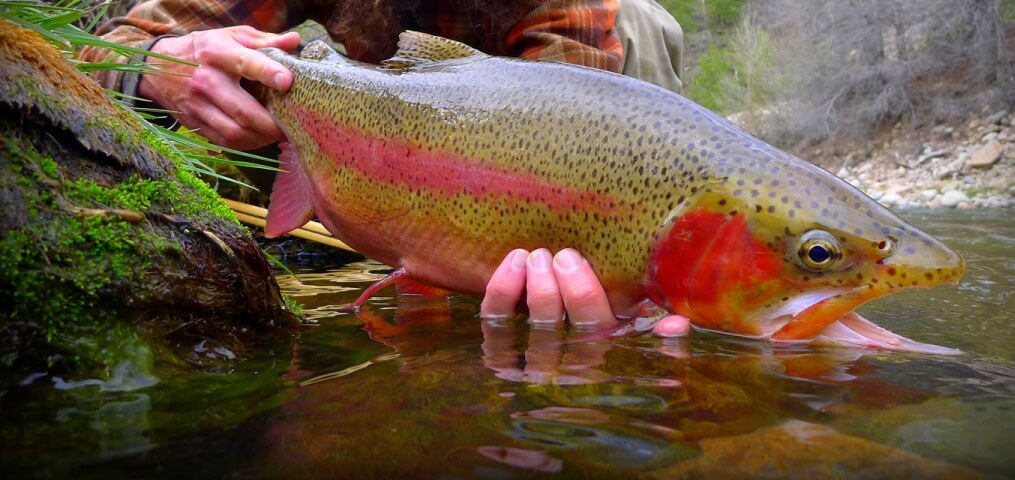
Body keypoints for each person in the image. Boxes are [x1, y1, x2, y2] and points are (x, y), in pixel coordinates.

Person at [82, 0, 691, 337]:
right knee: (195, 95)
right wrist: (156, 63)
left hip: (514, 166)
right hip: (348, 134)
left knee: (641, 21)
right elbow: (103, 48)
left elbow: (586, 132)